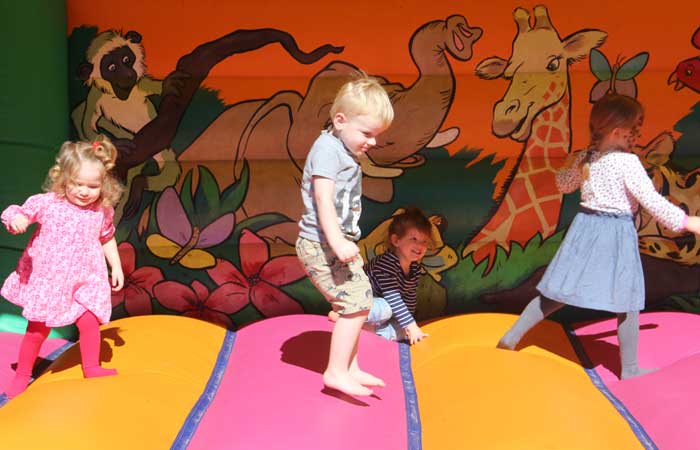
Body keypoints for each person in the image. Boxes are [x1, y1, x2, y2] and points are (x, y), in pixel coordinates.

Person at [497, 93, 700, 380]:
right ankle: (629, 369)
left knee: (555, 294)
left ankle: (511, 337)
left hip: (585, 230)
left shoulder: (587, 157)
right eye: (636, 129)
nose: (638, 135)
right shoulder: (627, 163)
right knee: (627, 302)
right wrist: (688, 222)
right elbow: (651, 201)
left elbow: (563, 185)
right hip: (615, 233)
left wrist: (574, 165)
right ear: (618, 132)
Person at [1, 136, 125, 398]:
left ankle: (91, 366)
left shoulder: (101, 211)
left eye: (92, 186)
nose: (84, 191)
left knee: (90, 322)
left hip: (84, 278)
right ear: (64, 180)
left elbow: (106, 237)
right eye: (77, 184)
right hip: (51, 281)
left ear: (104, 185)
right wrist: (18, 220)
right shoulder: (49, 203)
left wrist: (116, 266)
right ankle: (22, 374)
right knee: (37, 330)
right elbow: (19, 212)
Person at [296, 73, 394, 397]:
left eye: (377, 135)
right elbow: (322, 197)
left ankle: (350, 367)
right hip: (320, 244)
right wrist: (337, 240)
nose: (373, 142)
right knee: (353, 305)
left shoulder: (344, 151)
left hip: (335, 243)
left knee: (361, 300)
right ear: (340, 120)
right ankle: (336, 371)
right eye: (367, 133)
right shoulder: (326, 149)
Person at [329, 207, 431, 345]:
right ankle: (343, 315)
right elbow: (393, 297)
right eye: (414, 239)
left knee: (402, 330)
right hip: (358, 304)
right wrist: (411, 325)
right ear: (396, 241)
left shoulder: (415, 268)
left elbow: (409, 297)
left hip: (376, 313)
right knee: (387, 308)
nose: (420, 246)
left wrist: (409, 324)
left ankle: (369, 331)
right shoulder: (386, 264)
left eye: (424, 241)